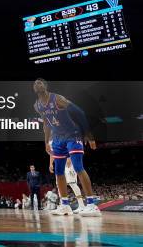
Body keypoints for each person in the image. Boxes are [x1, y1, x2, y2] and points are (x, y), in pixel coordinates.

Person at [33, 78, 101, 216]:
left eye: (40, 82)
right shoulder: (37, 105)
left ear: (46, 86)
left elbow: (80, 112)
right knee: (58, 172)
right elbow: (46, 124)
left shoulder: (57, 99)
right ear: (34, 89)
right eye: (35, 83)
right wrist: (46, 142)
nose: (37, 83)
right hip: (57, 138)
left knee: (78, 167)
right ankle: (65, 205)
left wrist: (89, 135)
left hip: (72, 134)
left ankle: (92, 205)